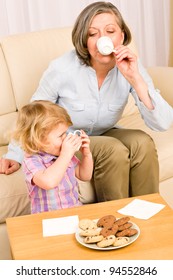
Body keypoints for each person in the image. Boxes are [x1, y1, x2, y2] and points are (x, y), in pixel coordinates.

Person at [1, 2, 173, 202]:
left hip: (106, 130)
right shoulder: (62, 68)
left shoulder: (131, 66)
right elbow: (33, 116)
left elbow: (163, 123)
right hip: (69, 139)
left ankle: (149, 215)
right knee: (113, 149)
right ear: (84, 41)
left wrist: (135, 78)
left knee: (142, 143)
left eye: (110, 31)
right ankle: (115, 223)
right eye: (93, 34)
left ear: (122, 36)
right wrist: (14, 155)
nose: (102, 39)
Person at [12, 100, 93, 213]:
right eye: (61, 135)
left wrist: (86, 154)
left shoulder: (63, 154)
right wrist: (66, 154)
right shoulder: (31, 160)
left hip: (74, 211)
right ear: (38, 139)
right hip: (46, 219)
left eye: (66, 133)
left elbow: (85, 175)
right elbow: (48, 182)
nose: (66, 138)